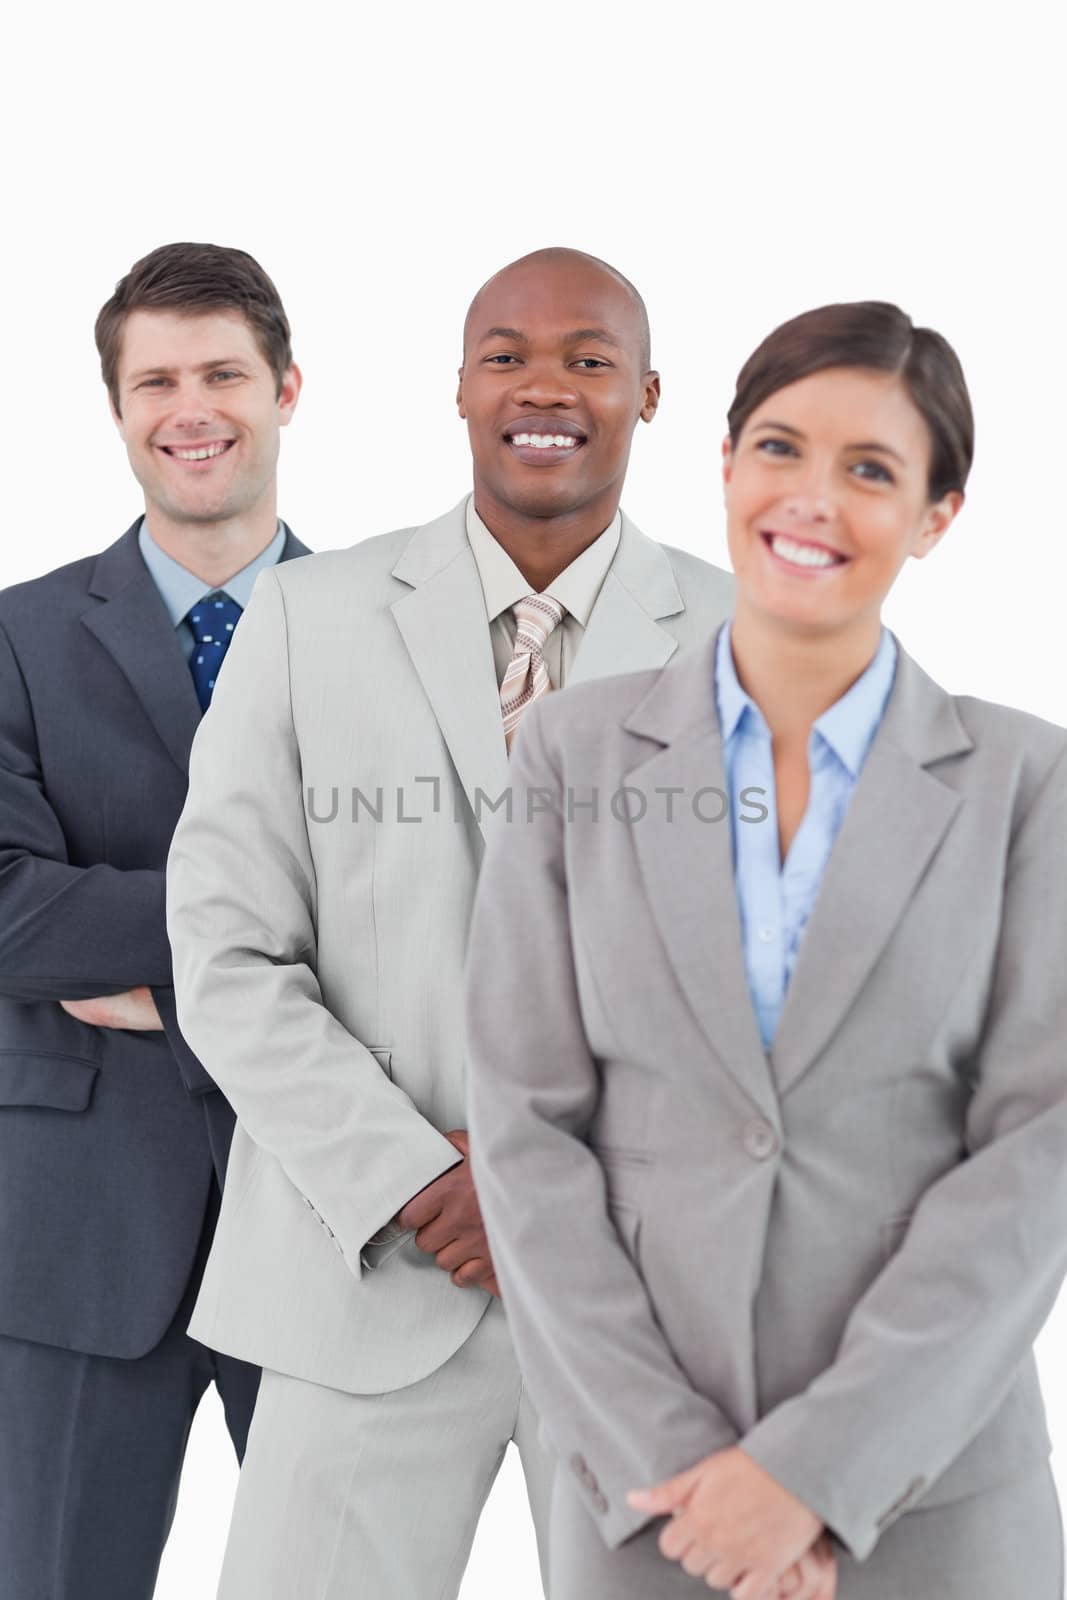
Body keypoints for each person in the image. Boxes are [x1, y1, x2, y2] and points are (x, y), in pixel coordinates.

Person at [464, 299, 1067, 1599]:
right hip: (650, 1507)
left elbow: (1037, 1156)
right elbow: (523, 1127)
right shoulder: (573, 754)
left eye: (871, 469)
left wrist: (815, 1471)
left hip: (934, 1495)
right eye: (781, 448)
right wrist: (680, 1466)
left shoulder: (1027, 781)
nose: (812, 498)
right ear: (727, 463)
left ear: (936, 515)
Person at [164, 246, 736, 1599]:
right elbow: (230, 954)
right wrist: (419, 1178)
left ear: (648, 393)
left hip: (654, 1307)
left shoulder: (746, 639)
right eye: (509, 356)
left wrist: (554, 1184)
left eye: (591, 359)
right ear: (461, 389)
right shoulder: (309, 619)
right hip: (359, 1280)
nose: (548, 386)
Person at [0, 241, 309, 1600]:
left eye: (224, 373)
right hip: (74, 1233)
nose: (194, 407)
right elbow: (12, 917)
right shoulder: (15, 636)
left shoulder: (396, 634)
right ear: (119, 408)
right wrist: (275, 935)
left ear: (288, 387)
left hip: (327, 1220)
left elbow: (431, 920)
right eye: (158, 380)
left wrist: (158, 982)